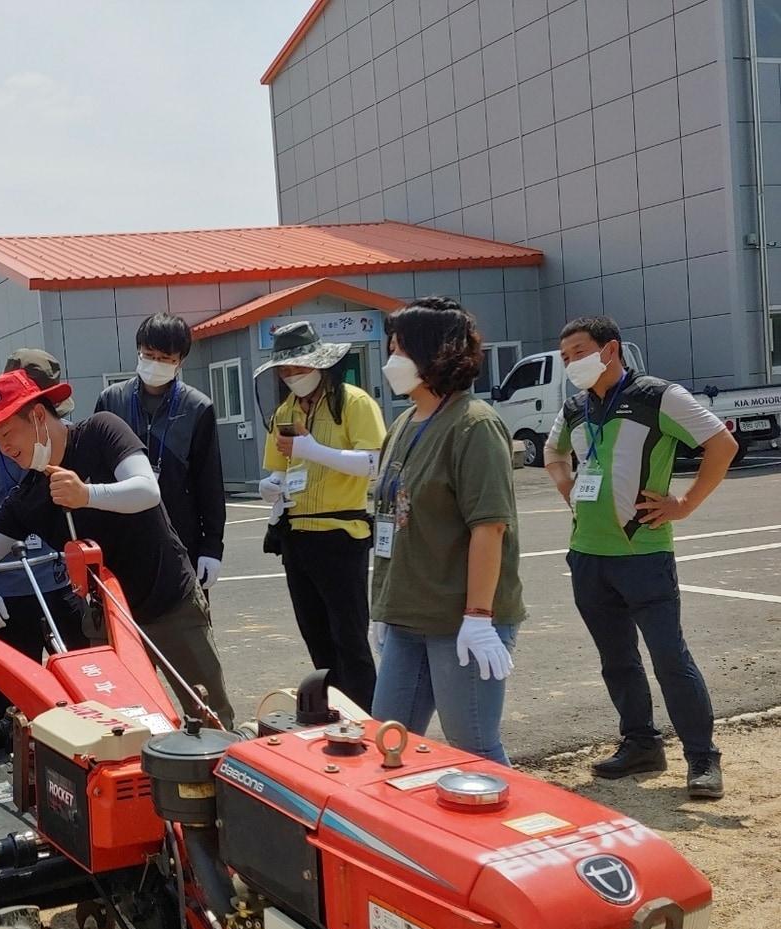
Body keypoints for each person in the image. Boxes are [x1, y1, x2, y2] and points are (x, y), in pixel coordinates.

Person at [0, 370, 235, 729]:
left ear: (38, 415)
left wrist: (87, 495)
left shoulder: (101, 431)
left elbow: (146, 490)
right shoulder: (28, 496)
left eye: (7, 432)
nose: (3, 447)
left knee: (210, 718)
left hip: (169, 604)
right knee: (120, 730)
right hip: (107, 624)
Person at [545, 316, 734, 799]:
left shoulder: (658, 397)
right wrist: (570, 492)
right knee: (617, 659)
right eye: (564, 356)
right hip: (588, 555)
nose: (571, 362)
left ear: (610, 350)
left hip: (643, 553)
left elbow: (722, 444)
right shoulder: (575, 407)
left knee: (670, 658)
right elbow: (552, 453)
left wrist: (684, 505)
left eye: (578, 351)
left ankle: (702, 758)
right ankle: (641, 743)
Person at [369, 297, 525, 765]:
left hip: (459, 621)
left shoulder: (473, 425)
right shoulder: (403, 423)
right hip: (407, 617)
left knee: (473, 745)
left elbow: (489, 526)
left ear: (433, 354)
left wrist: (478, 617)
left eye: (400, 349)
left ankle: (504, 834)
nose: (391, 361)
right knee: (389, 741)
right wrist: (384, 605)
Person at [0, 349, 88, 745]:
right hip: (4, 594)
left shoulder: (65, 438)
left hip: (60, 585)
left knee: (80, 689)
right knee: (11, 703)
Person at [255, 321, 386, 707]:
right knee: (316, 636)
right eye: (285, 370)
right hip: (297, 535)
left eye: (299, 367)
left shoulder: (354, 403)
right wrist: (271, 485)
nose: (292, 376)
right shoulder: (286, 409)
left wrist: (316, 452)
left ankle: (366, 717)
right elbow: (278, 466)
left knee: (350, 638)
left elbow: (374, 462)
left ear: (320, 364)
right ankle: (335, 715)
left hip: (341, 533)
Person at [95, 313, 225, 588]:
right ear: (138, 352)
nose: (156, 364)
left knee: (185, 624)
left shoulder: (197, 407)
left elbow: (209, 482)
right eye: (149, 354)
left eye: (166, 359)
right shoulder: (111, 400)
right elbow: (96, 471)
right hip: (122, 537)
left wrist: (212, 546)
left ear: (181, 361)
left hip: (179, 537)